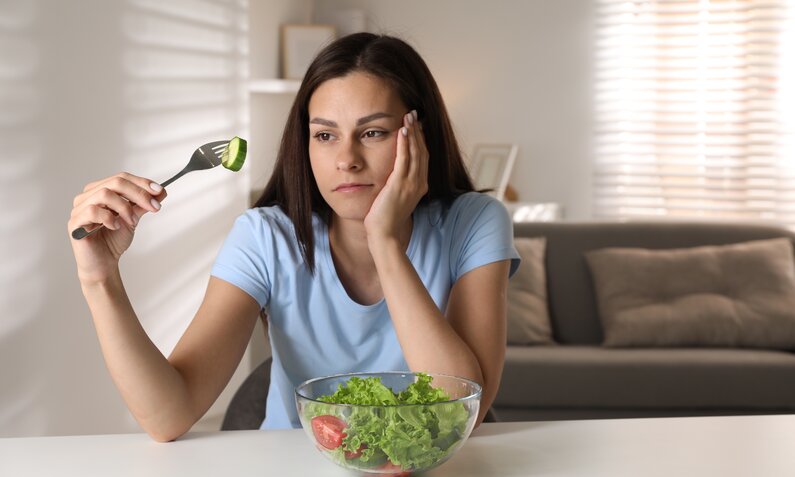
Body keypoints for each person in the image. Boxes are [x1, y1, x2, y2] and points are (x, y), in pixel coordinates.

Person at [68, 32, 520, 442]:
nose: (346, 159)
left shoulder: (475, 223)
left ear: (420, 138)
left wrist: (383, 242)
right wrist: (100, 278)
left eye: (373, 132)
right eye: (325, 135)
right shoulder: (265, 237)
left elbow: (463, 409)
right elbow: (168, 415)